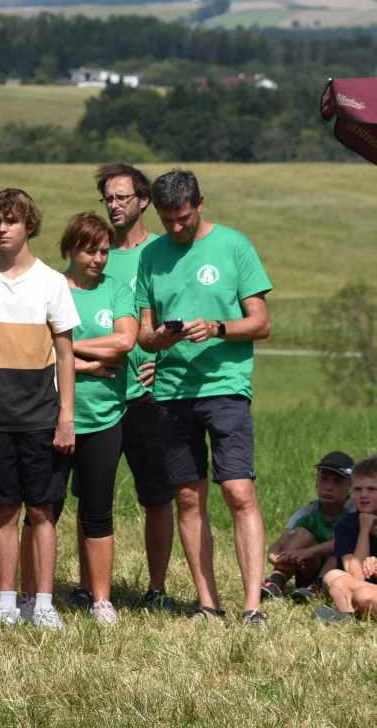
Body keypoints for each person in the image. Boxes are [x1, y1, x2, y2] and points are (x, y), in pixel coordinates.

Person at [135, 170, 273, 625]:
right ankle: (208, 603)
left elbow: (261, 323)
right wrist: (162, 338)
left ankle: (252, 606)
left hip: (225, 386)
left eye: (183, 218)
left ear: (200, 204)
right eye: (167, 220)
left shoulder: (235, 246)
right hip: (172, 390)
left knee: (238, 491)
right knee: (188, 498)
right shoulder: (151, 255)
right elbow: (144, 334)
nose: (176, 227)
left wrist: (216, 328)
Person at [0, 189, 78, 632]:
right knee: (4, 512)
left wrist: (66, 416)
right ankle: (6, 603)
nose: (2, 228)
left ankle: (42, 604)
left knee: (42, 512)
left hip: (42, 416)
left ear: (30, 226)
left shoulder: (52, 282)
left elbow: (66, 353)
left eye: (12, 221)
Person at [95, 162, 177, 610]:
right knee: (95, 495)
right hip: (100, 393)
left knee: (157, 495)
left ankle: (157, 589)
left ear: (143, 201)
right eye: (108, 198)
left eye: (122, 197)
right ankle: (90, 586)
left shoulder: (162, 251)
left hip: (148, 395)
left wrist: (162, 362)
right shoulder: (96, 252)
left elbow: (179, 314)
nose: (114, 205)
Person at [59, 211, 139, 625]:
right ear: (70, 249)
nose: (99, 259)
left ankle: (101, 599)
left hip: (105, 417)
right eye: (90, 250)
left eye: (104, 251)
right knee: (43, 508)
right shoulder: (53, 289)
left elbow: (125, 341)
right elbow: (38, 349)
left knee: (98, 510)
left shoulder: (117, 289)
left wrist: (68, 348)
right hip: (56, 416)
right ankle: (36, 595)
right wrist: (88, 364)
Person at [265, 451, 355, 603]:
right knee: (301, 534)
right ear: (316, 482)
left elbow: (344, 542)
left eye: (337, 482)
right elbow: (282, 541)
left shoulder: (354, 510)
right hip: (308, 569)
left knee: (339, 551)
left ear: (351, 487)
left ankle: (316, 588)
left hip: (338, 575)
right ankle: (276, 580)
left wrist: (308, 551)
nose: (329, 487)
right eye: (324, 479)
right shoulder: (309, 510)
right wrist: (277, 558)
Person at [317, 455, 377, 622]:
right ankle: (347, 616)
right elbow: (356, 575)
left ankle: (348, 612)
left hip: (365, 592)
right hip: (362, 585)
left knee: (362, 595)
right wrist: (364, 529)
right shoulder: (346, 525)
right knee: (332, 576)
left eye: (372, 489)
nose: (363, 495)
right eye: (357, 489)